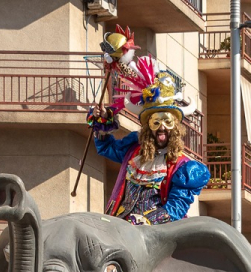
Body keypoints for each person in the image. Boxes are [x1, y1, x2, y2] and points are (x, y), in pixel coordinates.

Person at [89, 54, 208, 226]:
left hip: (158, 230)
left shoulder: (183, 167)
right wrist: (103, 120)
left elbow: (176, 208)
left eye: (167, 121)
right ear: (148, 126)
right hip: (119, 223)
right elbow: (106, 147)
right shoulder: (133, 151)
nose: (161, 127)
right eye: (156, 122)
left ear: (175, 127)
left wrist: (147, 221)